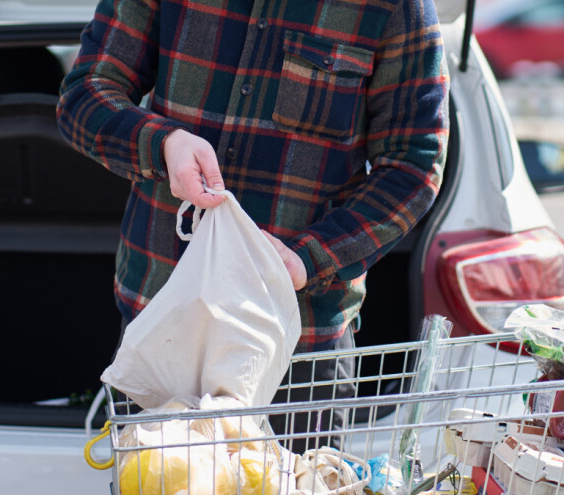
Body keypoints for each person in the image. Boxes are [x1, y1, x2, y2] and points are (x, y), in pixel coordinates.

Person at [56, 0, 449, 449]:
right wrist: (163, 144)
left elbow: (414, 166)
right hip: (161, 325)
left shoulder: (396, 7)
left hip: (297, 347)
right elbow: (84, 93)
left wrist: (310, 257)